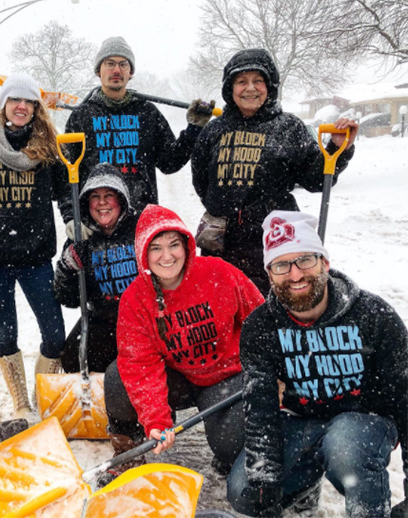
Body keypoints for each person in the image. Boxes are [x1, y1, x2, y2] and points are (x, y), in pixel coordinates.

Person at [228, 210, 408, 518]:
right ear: (269, 273)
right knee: (243, 490)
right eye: (282, 264)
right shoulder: (261, 328)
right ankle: (304, 487)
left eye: (305, 260)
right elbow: (260, 408)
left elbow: (405, 399)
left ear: (324, 262)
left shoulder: (374, 316)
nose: (296, 274)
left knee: (346, 445)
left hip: (361, 422)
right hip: (299, 420)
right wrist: (264, 484)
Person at [100, 204, 264, 486]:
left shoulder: (220, 273)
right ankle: (128, 452)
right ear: (143, 254)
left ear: (187, 245)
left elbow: (262, 324)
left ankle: (227, 452)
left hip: (225, 377)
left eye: (174, 244)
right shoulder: (135, 299)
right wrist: (156, 419)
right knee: (117, 378)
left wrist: (270, 372)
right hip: (176, 375)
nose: (167, 256)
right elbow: (140, 363)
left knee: (229, 444)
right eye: (156, 248)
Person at [191, 48, 358, 294]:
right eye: (241, 81)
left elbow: (315, 179)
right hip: (222, 242)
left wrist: (337, 147)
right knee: (224, 306)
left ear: (270, 86)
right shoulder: (215, 130)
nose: (250, 88)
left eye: (258, 80)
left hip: (276, 239)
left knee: (275, 307)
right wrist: (225, 208)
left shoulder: (288, 127)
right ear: (230, 88)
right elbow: (201, 180)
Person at [0, 72, 66, 419]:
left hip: (36, 256)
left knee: (55, 334)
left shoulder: (48, 149)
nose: (21, 106)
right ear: (4, 105)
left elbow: (65, 194)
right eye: (15, 100)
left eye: (28, 101)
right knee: (5, 330)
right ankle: (22, 404)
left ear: (36, 108)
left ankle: (41, 397)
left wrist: (73, 220)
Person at [60, 36, 214, 237]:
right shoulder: (81, 117)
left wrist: (194, 129)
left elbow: (170, 162)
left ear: (130, 72)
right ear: (99, 71)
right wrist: (71, 216)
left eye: (123, 64)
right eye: (110, 64)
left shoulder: (147, 113)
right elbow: (66, 174)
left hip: (142, 224)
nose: (117, 70)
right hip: (98, 224)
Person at [53, 163, 138, 373]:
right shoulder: (81, 238)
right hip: (103, 319)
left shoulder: (140, 227)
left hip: (141, 319)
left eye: (109, 195)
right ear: (86, 202)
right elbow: (67, 298)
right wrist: (69, 265)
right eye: (95, 196)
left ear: (121, 199)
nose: (102, 203)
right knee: (72, 357)